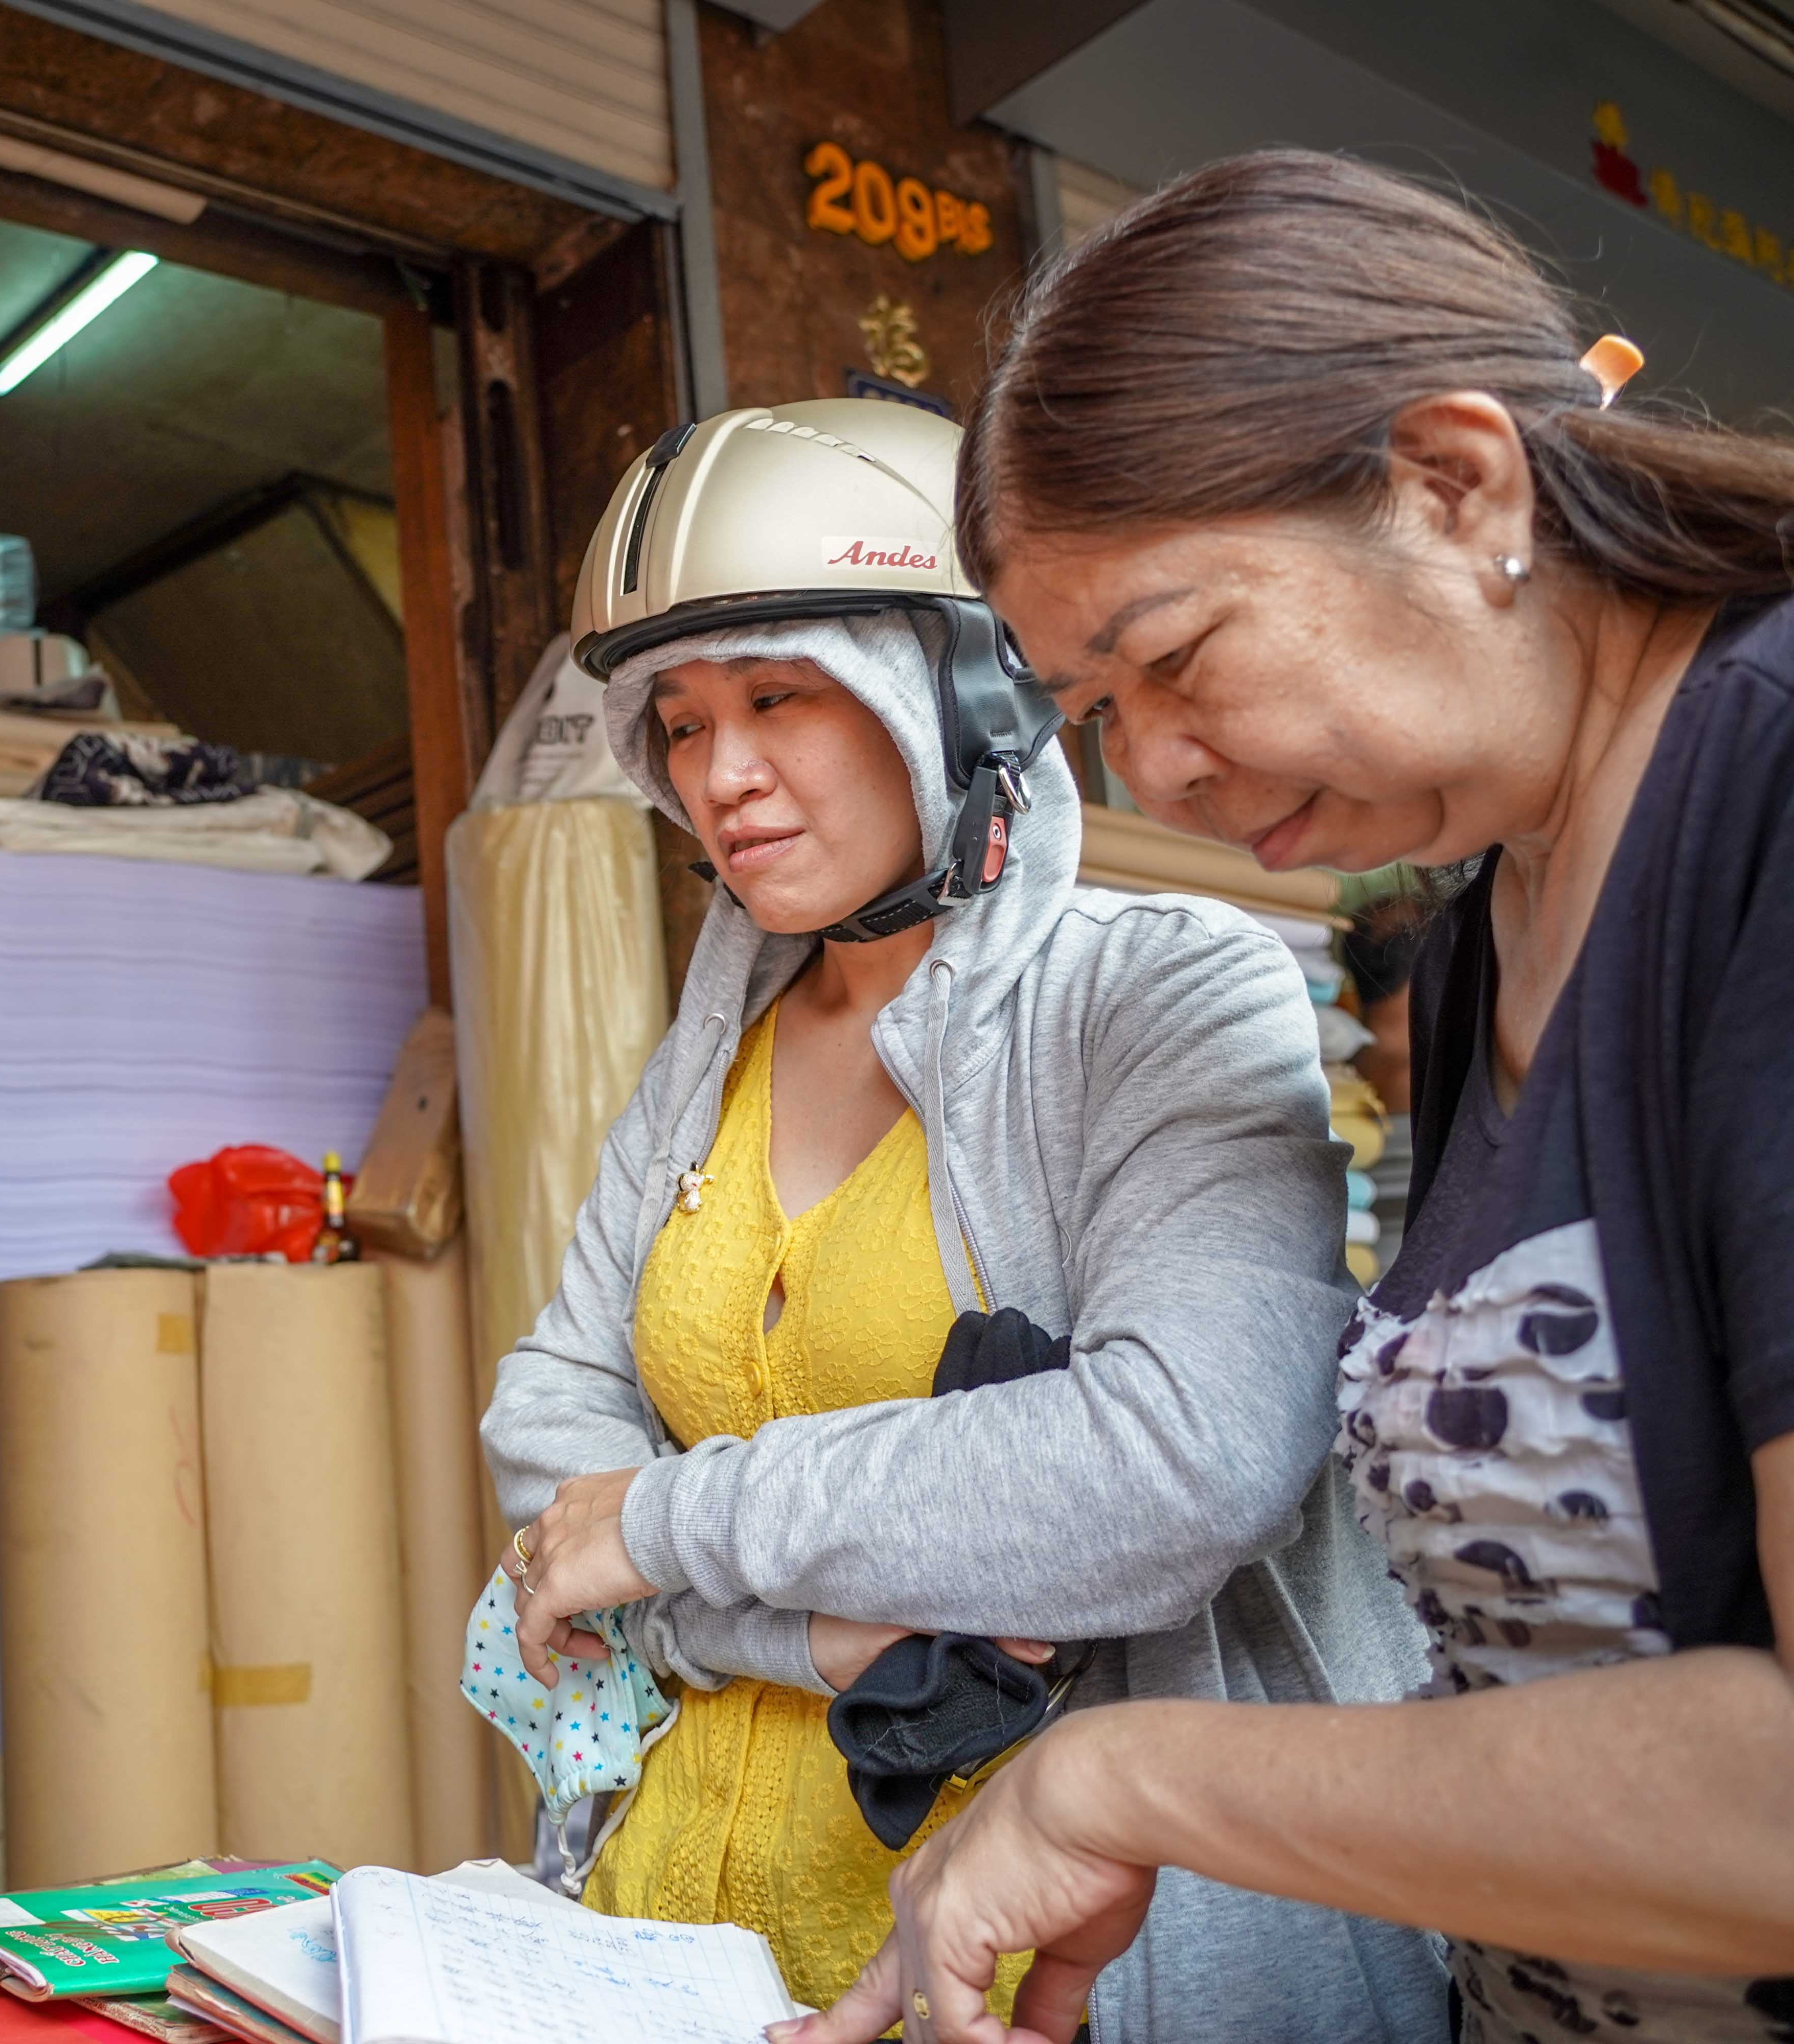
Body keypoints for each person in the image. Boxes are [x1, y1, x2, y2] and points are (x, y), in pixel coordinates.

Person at [770, 149, 1794, 2044]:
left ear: (1457, 482)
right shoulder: (1489, 905)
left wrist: (1116, 1780)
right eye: (1093, 716)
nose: (1155, 771)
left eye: (1175, 656)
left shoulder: (1765, 805)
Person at [479, 398, 1444, 2042]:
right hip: (672, 1951)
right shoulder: (704, 1065)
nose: (725, 774)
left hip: (1048, 1982)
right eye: (686, 723)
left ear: (962, 694)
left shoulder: (1165, 995)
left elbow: (1184, 1459)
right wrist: (808, 1620)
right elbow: (546, 1439)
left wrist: (664, 1530)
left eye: (782, 694)